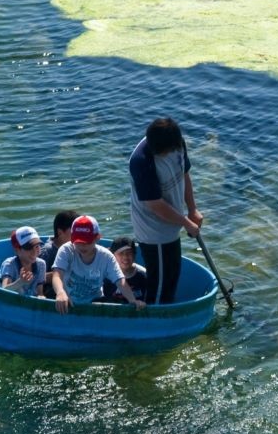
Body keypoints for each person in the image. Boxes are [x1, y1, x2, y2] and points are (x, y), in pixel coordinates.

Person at [129, 116, 203, 305]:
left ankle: (162, 311)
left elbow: (185, 174)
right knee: (160, 285)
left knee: (171, 278)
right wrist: (186, 222)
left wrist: (192, 209)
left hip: (172, 224)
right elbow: (155, 205)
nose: (159, 153)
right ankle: (153, 324)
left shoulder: (178, 144)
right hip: (153, 231)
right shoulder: (141, 161)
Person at [50, 216, 145, 312]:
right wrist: (60, 292)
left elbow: (120, 281)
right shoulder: (66, 250)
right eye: (78, 241)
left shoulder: (106, 256)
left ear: (98, 237)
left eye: (87, 241)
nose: (82, 245)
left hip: (94, 303)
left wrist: (133, 300)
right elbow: (57, 275)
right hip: (68, 300)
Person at [0, 228, 48, 297]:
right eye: (29, 248)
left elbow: (40, 292)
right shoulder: (9, 264)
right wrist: (20, 282)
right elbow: (4, 290)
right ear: (17, 250)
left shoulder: (41, 264)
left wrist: (41, 296)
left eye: (37, 246)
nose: (34, 252)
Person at [101, 236, 149, 303]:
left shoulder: (144, 275)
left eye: (129, 253)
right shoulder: (105, 275)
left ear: (134, 254)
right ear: (112, 255)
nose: (125, 257)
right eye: (121, 253)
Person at [40, 210, 77, 274]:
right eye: (74, 231)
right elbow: (35, 277)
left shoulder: (76, 247)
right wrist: (59, 274)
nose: (78, 235)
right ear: (60, 232)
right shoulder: (47, 251)